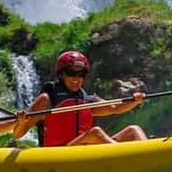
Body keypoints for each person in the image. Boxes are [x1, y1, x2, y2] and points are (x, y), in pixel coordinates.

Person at [11, 51, 148, 146]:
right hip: (59, 154)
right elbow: (17, 134)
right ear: (61, 74)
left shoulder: (86, 100)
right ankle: (129, 157)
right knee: (95, 133)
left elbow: (114, 107)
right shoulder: (46, 99)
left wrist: (135, 101)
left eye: (81, 74)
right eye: (71, 73)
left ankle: (148, 153)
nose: (77, 79)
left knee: (133, 130)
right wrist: (22, 122)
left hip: (83, 148)